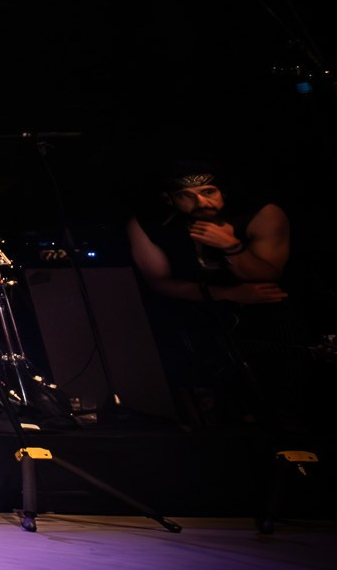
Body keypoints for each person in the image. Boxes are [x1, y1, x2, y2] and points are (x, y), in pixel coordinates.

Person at [125, 159, 305, 429]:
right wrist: (229, 293)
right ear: (169, 199)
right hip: (197, 316)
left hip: (267, 318)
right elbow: (159, 282)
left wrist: (231, 246)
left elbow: (267, 276)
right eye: (186, 196)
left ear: (222, 191)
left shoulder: (262, 214)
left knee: (281, 398)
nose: (200, 203)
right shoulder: (150, 223)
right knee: (207, 402)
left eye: (208, 192)